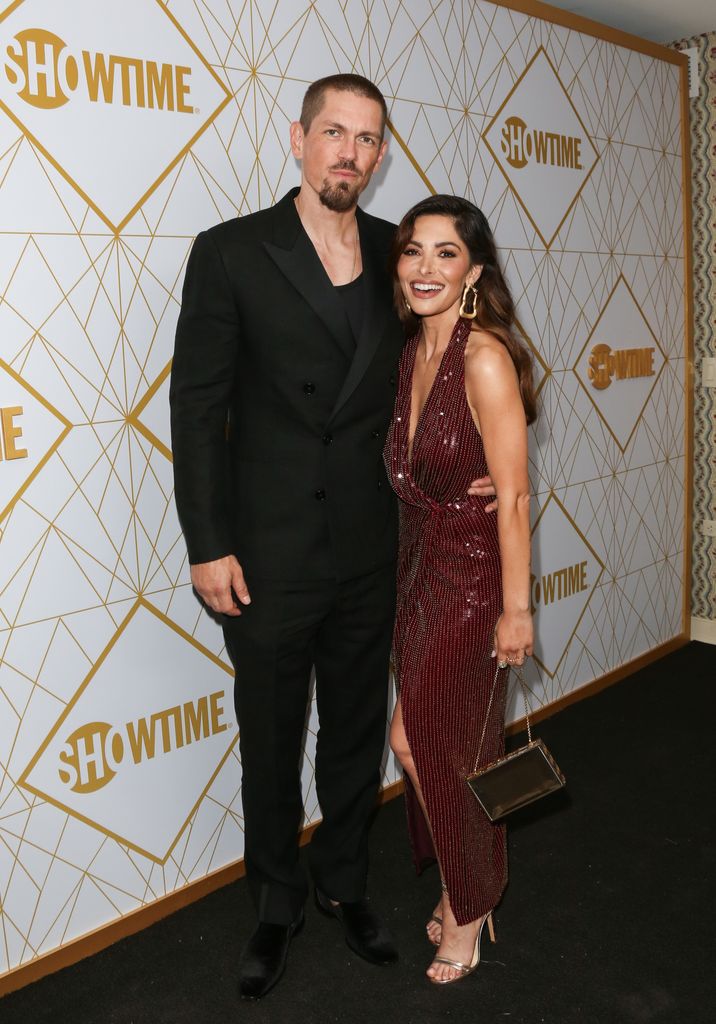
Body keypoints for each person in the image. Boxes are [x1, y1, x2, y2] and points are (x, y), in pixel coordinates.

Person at [170, 75, 496, 1000]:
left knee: (354, 733)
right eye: (334, 133)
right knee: (271, 737)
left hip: (371, 547)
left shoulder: (407, 254)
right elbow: (197, 411)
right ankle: (276, 900)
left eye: (367, 138)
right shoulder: (232, 253)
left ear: (382, 153)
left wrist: (480, 458)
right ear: (299, 139)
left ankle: (344, 881)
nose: (349, 151)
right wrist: (207, 540)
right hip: (265, 553)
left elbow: (464, 351)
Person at [384, 194, 536, 985]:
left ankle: (469, 908)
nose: (426, 268)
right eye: (414, 251)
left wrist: (516, 610)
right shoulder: (411, 353)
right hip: (417, 580)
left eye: (446, 254)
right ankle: (467, 883)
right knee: (434, 748)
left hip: (473, 586)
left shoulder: (483, 356)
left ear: (473, 271)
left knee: (432, 747)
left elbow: (511, 495)